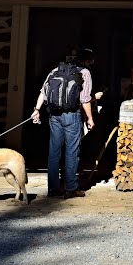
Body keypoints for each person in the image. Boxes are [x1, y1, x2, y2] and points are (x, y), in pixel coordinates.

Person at [31, 48, 95, 198]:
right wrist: (90, 118)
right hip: (71, 115)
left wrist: (37, 109)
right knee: (72, 152)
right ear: (86, 61)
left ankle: (53, 188)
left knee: (54, 152)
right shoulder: (84, 73)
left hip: (54, 115)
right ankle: (71, 189)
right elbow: (84, 99)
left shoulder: (56, 70)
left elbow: (43, 92)